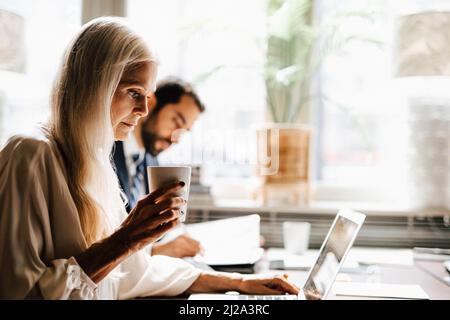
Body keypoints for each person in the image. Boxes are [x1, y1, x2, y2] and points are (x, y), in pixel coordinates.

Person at [0, 17, 299, 299]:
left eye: (148, 94)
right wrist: (126, 239)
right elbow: (20, 292)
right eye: (134, 92)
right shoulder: (31, 155)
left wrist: (239, 283)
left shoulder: (95, 162)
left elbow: (133, 273)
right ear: (94, 88)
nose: (144, 109)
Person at [112, 78, 204, 258]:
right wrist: (157, 252)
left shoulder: (150, 162)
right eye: (176, 122)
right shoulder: (106, 152)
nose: (175, 138)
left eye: (183, 131)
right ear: (151, 104)